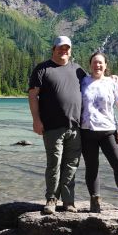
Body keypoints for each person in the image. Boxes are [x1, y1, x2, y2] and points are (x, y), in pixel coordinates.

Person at [28, 36, 86, 215]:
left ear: (71, 50)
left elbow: (93, 85)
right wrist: (36, 120)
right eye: (60, 48)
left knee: (71, 165)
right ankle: (51, 199)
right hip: (52, 127)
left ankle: (68, 201)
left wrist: (113, 79)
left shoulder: (78, 70)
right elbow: (32, 95)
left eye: (67, 48)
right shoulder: (42, 69)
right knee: (54, 164)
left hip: (75, 127)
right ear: (54, 49)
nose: (64, 51)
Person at [80, 52, 118, 215]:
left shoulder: (113, 83)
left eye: (100, 63)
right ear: (90, 65)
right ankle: (95, 201)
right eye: (95, 63)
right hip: (87, 131)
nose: (97, 65)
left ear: (105, 66)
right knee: (92, 167)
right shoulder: (83, 81)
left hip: (108, 131)